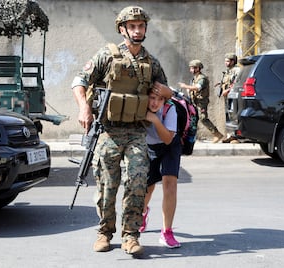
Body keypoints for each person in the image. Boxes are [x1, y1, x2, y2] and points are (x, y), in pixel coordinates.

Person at [71, 6, 171, 256]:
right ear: (122, 29)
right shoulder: (107, 55)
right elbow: (79, 81)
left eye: (141, 26)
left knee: (138, 181)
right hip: (108, 131)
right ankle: (105, 232)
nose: (138, 30)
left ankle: (131, 235)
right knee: (107, 185)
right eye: (133, 26)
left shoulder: (151, 62)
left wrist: (164, 96)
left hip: (137, 131)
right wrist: (84, 108)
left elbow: (165, 90)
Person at [139, 86, 182, 248]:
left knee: (170, 185)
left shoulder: (170, 109)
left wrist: (155, 119)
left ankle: (167, 231)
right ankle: (143, 213)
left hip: (170, 144)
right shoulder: (137, 106)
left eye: (160, 99)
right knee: (147, 188)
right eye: (151, 98)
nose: (155, 102)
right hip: (149, 147)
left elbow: (168, 140)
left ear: (165, 99)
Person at [178, 60, 223, 143]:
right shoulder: (195, 78)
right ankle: (194, 136)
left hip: (201, 102)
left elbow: (197, 87)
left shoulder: (202, 78)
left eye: (193, 68)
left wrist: (185, 86)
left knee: (203, 118)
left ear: (198, 68)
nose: (191, 70)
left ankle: (217, 134)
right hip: (195, 101)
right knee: (194, 119)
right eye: (191, 68)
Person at [215, 53, 241, 143]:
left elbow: (236, 83)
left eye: (228, 61)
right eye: (225, 61)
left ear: (233, 61)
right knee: (229, 116)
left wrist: (228, 90)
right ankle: (231, 136)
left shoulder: (237, 70)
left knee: (234, 116)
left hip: (233, 96)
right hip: (227, 98)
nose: (226, 63)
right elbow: (228, 80)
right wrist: (220, 83)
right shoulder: (228, 71)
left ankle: (236, 137)